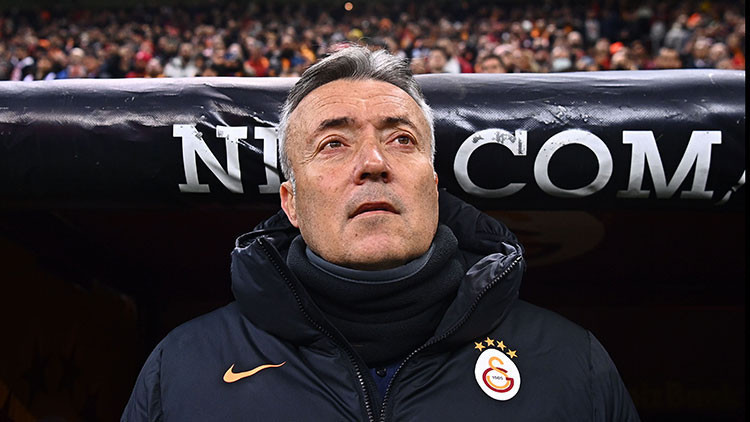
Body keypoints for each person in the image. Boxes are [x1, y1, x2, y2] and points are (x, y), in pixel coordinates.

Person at [122, 44, 639, 421]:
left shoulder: (573, 365)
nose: (373, 162)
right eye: (333, 143)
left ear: (433, 189)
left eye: (401, 139)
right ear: (291, 202)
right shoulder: (181, 370)